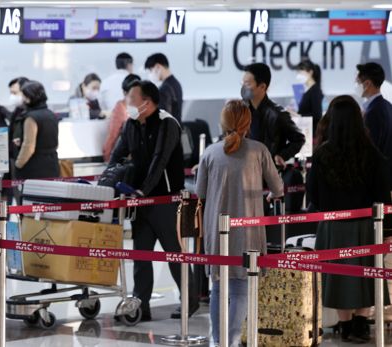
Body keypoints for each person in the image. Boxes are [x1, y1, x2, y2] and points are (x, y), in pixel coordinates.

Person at [196, 100, 283, 346]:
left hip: (217, 229)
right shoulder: (259, 150)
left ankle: (218, 340)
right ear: (248, 123)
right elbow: (278, 187)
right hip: (248, 230)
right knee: (240, 289)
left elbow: (200, 192)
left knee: (218, 289)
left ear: (222, 123)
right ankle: (232, 341)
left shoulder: (210, 153)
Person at [109, 80, 197, 321]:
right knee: (142, 254)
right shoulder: (131, 125)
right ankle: (141, 305)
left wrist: (143, 192)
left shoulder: (167, 123)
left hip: (165, 200)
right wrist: (106, 182)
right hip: (141, 202)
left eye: (132, 98)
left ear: (146, 102)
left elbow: (160, 160)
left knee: (173, 253)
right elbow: (118, 154)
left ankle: (190, 300)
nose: (128, 102)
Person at [307, 95, 392, 343]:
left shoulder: (323, 155)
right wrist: (388, 228)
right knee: (367, 275)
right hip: (367, 226)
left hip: (332, 225)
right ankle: (361, 324)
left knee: (338, 277)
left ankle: (344, 326)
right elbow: (383, 193)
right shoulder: (372, 153)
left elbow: (313, 194)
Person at [242, 63, 305, 168]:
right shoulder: (240, 111)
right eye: (242, 83)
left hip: (268, 175)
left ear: (262, 86)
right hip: (244, 172)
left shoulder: (278, 114)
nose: (243, 87)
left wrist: (282, 155)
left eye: (247, 84)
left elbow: (299, 139)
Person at [12, 81, 60, 182]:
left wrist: (18, 164)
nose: (23, 99)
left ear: (30, 97)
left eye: (24, 96)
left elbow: (29, 146)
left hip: (34, 168)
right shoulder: (51, 114)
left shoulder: (31, 118)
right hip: (52, 165)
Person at [356, 62, 392, 182]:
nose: (356, 85)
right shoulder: (387, 106)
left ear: (367, 84)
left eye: (357, 82)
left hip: (377, 179)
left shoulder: (372, 112)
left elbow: (371, 150)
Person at [102, 73, 140, 162]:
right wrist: (109, 163)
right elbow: (112, 137)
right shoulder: (120, 110)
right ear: (124, 93)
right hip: (125, 160)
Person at [144, 53, 183, 124]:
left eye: (150, 70)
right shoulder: (175, 83)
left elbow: (163, 119)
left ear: (158, 67)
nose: (150, 74)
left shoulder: (165, 88)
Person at [296, 59, 324, 134]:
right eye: (298, 73)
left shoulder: (315, 91)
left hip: (312, 134)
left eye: (301, 72)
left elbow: (317, 115)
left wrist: (299, 115)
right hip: (306, 132)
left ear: (310, 72)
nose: (298, 76)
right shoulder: (308, 91)